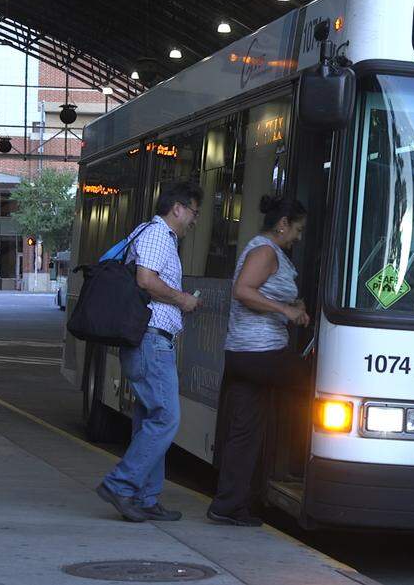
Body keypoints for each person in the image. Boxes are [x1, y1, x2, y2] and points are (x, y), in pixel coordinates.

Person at [96, 181, 204, 523]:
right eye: (194, 212)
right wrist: (183, 299)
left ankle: (145, 497)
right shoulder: (158, 235)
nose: (194, 221)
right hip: (151, 340)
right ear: (178, 209)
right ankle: (121, 484)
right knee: (166, 418)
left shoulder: (154, 233)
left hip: (150, 340)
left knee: (148, 420)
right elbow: (146, 279)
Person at [207, 196, 309, 526]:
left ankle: (228, 505)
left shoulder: (264, 249)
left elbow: (263, 291)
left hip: (243, 353)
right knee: (320, 384)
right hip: (261, 352)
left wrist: (294, 304)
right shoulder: (265, 250)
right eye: (298, 229)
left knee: (245, 431)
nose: (299, 236)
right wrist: (287, 311)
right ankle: (305, 462)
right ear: (283, 225)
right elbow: (244, 291)